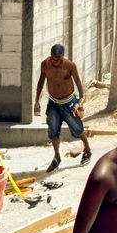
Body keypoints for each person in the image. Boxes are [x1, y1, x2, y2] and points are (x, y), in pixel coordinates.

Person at [34, 44, 91, 172]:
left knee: (77, 128)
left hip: (69, 102)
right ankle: (57, 156)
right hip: (53, 103)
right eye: (53, 59)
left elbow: (79, 84)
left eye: (58, 59)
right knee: (53, 130)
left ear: (63, 56)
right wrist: (37, 101)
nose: (55, 62)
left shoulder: (70, 65)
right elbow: (40, 83)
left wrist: (80, 103)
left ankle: (87, 149)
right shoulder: (45, 64)